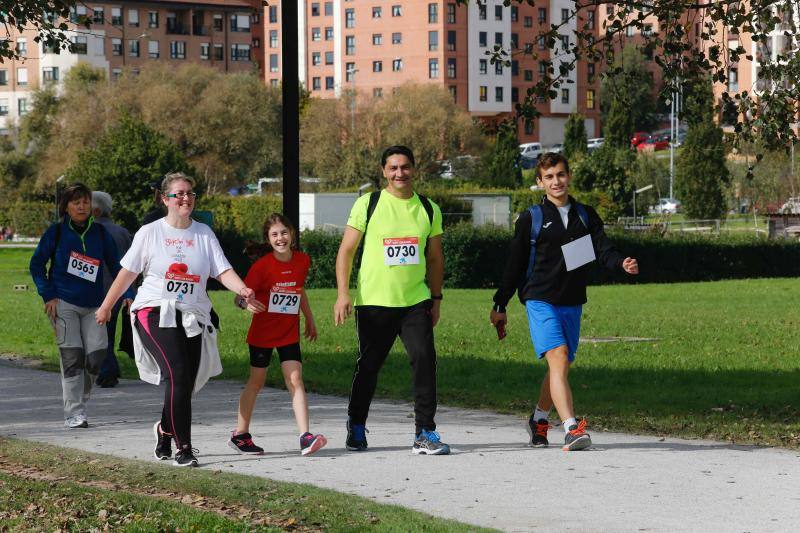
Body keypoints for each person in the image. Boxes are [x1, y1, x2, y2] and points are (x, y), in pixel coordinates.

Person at [95, 172, 258, 467]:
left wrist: (243, 289)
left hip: (193, 313)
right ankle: (184, 448)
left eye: (190, 194)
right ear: (165, 199)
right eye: (179, 194)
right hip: (154, 310)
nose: (185, 199)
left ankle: (164, 429)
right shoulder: (150, 232)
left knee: (186, 381)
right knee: (178, 373)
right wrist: (107, 306)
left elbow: (222, 270)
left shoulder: (203, 234)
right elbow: (128, 273)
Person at [489, 153, 639, 451]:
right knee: (557, 356)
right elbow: (515, 264)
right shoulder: (531, 218)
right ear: (540, 182)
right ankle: (572, 428)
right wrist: (500, 304)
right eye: (549, 177)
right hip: (539, 298)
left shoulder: (585, 215)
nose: (556, 181)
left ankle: (539, 420)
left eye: (560, 174)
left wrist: (621, 262)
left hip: (572, 301)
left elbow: (603, 249)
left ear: (568, 176)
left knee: (560, 366)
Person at [334, 145, 449, 455]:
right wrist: (343, 293)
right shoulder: (368, 204)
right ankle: (356, 424)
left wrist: (436, 298)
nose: (400, 173)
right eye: (394, 168)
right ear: (384, 171)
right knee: (369, 366)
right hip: (374, 302)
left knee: (424, 360)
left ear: (414, 169)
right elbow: (346, 251)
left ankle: (425, 432)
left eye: (405, 167)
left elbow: (435, 258)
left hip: (415, 302)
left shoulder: (429, 209)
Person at [29, 183, 132, 429]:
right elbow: (36, 265)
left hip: (95, 305)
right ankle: (74, 412)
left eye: (85, 202)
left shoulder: (100, 233)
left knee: (97, 356)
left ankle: (79, 398)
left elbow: (117, 267)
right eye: (76, 202)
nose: (82, 206)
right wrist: (48, 295)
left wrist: (128, 292)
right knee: (72, 356)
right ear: (66, 207)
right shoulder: (55, 233)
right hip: (64, 303)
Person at [228, 213, 327, 456]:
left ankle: (305, 436)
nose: (280, 238)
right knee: (256, 382)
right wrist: (246, 304)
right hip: (262, 334)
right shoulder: (261, 267)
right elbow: (238, 298)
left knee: (295, 379)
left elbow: (299, 290)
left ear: (291, 233)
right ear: (268, 239)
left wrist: (309, 318)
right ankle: (240, 435)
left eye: (284, 232)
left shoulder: (302, 260)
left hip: (288, 333)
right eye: (274, 234)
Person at [91, 191, 133, 388]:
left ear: (96, 211)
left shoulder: (91, 232)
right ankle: (109, 369)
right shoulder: (122, 232)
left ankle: (108, 371)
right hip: (120, 291)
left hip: (98, 290)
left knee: (98, 334)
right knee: (107, 331)